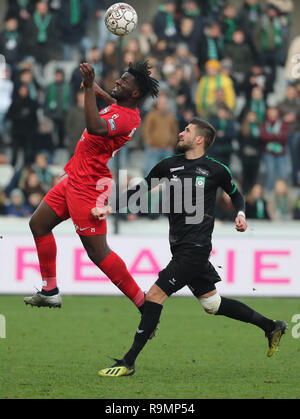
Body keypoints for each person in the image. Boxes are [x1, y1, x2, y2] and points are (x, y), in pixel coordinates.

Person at [96, 117, 287, 377]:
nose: (181, 133)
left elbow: (236, 194)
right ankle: (271, 326)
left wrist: (240, 213)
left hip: (195, 249)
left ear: (199, 139)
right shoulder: (168, 165)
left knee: (154, 296)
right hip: (180, 247)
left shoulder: (215, 169)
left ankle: (128, 361)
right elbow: (140, 191)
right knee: (213, 305)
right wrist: (111, 206)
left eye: (187, 130)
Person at [24, 61, 159, 311]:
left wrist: (88, 89)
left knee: (98, 253)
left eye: (124, 81)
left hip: (88, 186)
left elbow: (95, 127)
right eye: (121, 77)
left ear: (136, 93)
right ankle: (50, 290)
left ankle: (144, 304)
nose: (118, 80)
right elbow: (113, 108)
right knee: (38, 224)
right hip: (75, 177)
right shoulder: (124, 110)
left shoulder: (126, 118)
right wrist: (97, 89)